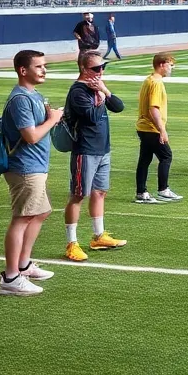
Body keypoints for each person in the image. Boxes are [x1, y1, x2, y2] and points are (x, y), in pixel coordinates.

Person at [0, 49, 63, 296]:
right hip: (25, 167)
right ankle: (11, 277)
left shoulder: (34, 95)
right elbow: (32, 136)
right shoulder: (20, 100)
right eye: (39, 66)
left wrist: (51, 116)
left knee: (41, 212)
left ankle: (23, 265)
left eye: (44, 65)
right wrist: (53, 119)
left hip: (35, 165)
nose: (44, 70)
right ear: (23, 70)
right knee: (22, 218)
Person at [62, 50, 128, 261]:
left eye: (102, 67)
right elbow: (90, 117)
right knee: (78, 195)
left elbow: (119, 107)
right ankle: (71, 243)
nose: (100, 71)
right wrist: (100, 97)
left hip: (102, 149)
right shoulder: (78, 91)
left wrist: (105, 91)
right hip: (85, 149)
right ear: (83, 69)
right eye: (96, 68)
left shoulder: (97, 88)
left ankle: (99, 235)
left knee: (100, 192)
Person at [135, 52, 182, 203]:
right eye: (170, 65)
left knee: (145, 160)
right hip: (151, 128)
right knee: (166, 156)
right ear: (162, 65)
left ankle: (141, 192)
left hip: (143, 127)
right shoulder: (156, 83)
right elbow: (153, 108)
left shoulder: (149, 80)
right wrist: (162, 130)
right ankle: (163, 189)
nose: (171, 68)